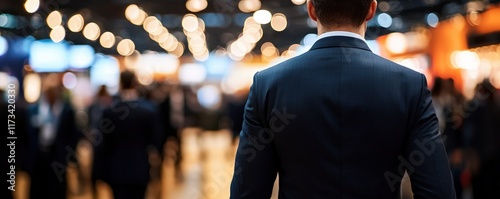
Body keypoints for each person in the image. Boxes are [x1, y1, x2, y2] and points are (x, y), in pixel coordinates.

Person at [230, 0, 456, 198]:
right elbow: (437, 191)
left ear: (311, 10)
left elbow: (247, 192)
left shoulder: (268, 85)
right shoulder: (410, 86)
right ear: (371, 9)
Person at [92, 71, 163, 199]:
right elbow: (156, 141)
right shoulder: (148, 111)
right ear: (135, 83)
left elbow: (102, 144)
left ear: (120, 83)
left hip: (116, 170)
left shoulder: (109, 112)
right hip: (140, 169)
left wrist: (96, 174)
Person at [27, 77, 80, 199]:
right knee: (38, 189)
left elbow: (73, 135)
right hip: (39, 157)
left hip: (58, 157)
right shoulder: (34, 110)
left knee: (57, 189)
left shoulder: (66, 110)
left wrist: (68, 156)